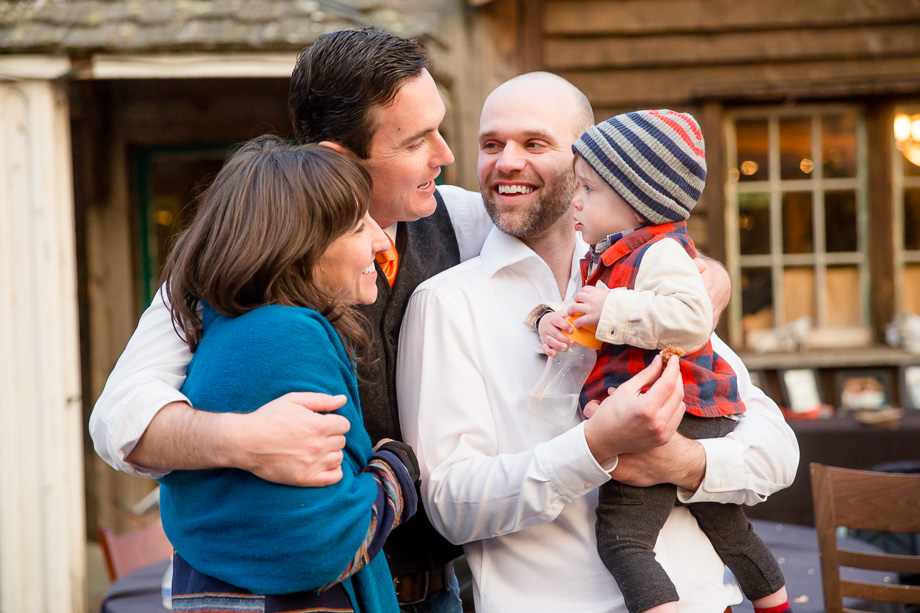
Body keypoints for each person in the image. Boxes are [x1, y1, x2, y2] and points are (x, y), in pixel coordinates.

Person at [90, 28, 490, 612]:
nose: (446, 154)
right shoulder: (237, 262)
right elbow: (117, 420)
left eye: (441, 126)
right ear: (337, 157)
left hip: (441, 590)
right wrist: (245, 439)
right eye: (416, 141)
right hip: (308, 591)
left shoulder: (469, 224)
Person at [396, 73, 798, 612]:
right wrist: (594, 447)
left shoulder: (654, 285)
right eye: (492, 145)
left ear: (587, 165)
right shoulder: (447, 303)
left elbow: (778, 453)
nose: (507, 161)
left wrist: (684, 463)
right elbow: (449, 504)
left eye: (535, 143)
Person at [533, 110, 789, 613]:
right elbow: (594, 318)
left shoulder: (662, 251)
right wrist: (547, 318)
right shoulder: (614, 254)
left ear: (639, 200)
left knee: (624, 541)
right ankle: (776, 605)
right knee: (727, 527)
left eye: (589, 190)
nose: (575, 201)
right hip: (689, 411)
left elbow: (692, 319)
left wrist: (611, 308)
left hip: (678, 411)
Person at [157, 136, 419, 613]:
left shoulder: (236, 329)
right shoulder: (285, 336)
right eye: (361, 226)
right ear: (305, 248)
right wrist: (395, 472)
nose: (383, 241)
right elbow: (320, 540)